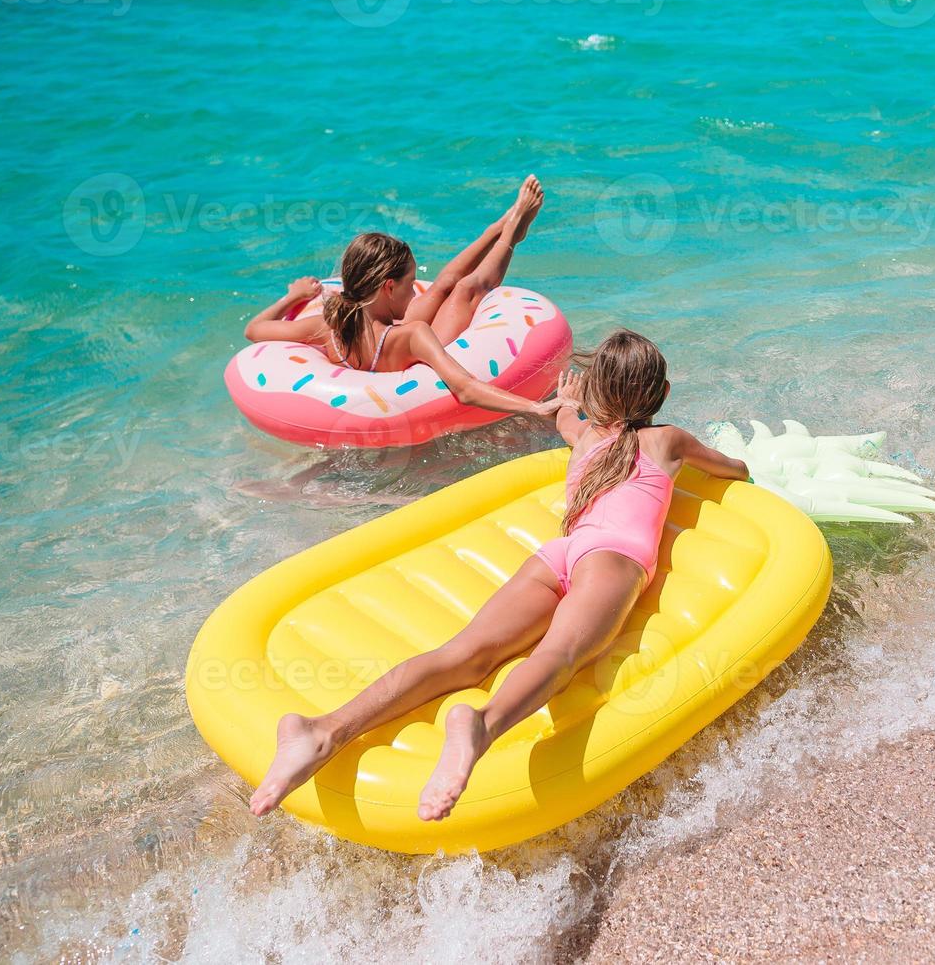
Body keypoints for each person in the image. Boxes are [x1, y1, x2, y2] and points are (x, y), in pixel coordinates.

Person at [248, 329, 751, 821]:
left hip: (557, 555)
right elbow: (735, 468)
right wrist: (740, 468)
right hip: (610, 559)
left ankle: (323, 730)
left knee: (463, 656)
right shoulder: (670, 440)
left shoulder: (587, 436)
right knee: (560, 656)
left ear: (596, 391)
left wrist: (571, 402)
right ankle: (480, 726)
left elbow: (567, 421)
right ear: (661, 394)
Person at [241, 176, 556, 419]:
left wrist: (291, 298)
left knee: (442, 285)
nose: (416, 286)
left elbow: (254, 330)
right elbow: (465, 389)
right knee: (466, 289)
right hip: (406, 352)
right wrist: (537, 408)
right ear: (388, 287)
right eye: (411, 281)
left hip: (383, 341)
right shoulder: (415, 335)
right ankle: (511, 234)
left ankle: (496, 228)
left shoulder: (328, 326)